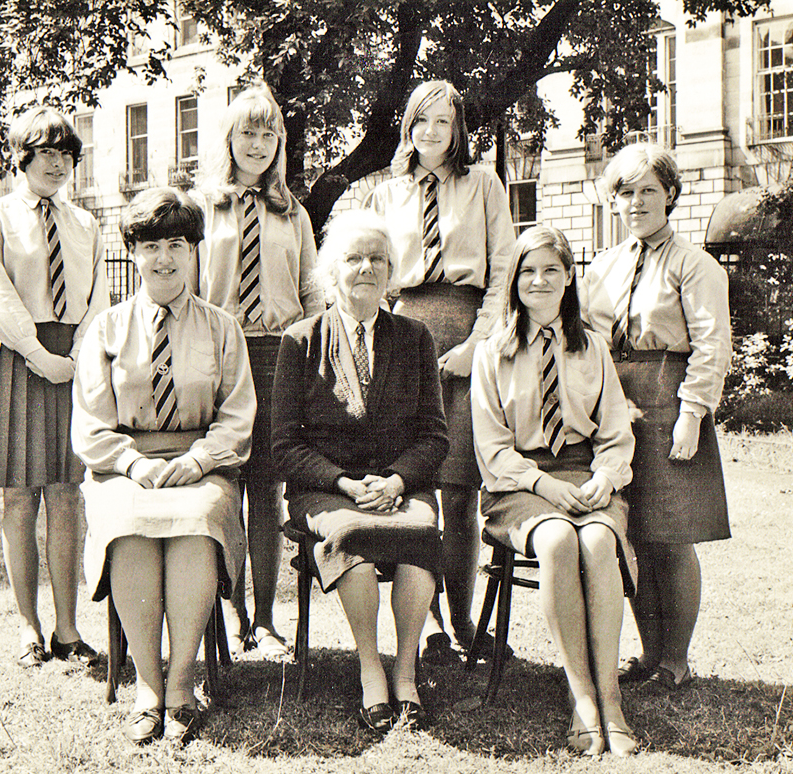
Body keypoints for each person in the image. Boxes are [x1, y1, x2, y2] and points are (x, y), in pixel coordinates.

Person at [71, 187, 255, 745]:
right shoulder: (105, 329)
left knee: (198, 521)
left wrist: (199, 460)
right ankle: (147, 687)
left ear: (195, 250)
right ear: (132, 252)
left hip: (203, 464)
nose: (165, 258)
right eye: (151, 245)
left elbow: (238, 415)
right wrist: (132, 464)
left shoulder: (223, 327)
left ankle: (181, 685)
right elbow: (91, 424)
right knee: (127, 525)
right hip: (125, 466)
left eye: (177, 244)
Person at [271, 210, 449, 732]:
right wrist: (343, 482)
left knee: (420, 530)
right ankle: (371, 666)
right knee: (352, 529)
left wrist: (396, 480)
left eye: (377, 259)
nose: (366, 268)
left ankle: (406, 669)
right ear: (331, 271)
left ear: (392, 271)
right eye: (353, 258)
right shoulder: (300, 340)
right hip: (327, 488)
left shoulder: (416, 337)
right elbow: (284, 444)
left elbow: (434, 435)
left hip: (399, 485)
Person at [472, 226, 638, 757]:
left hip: (585, 476)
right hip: (518, 484)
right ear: (513, 282)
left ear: (569, 278)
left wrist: (604, 480)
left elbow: (614, 433)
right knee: (559, 542)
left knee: (595, 543)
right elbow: (492, 450)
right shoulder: (492, 353)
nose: (539, 281)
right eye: (528, 272)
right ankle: (582, 698)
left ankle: (611, 700)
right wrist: (543, 484)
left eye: (551, 270)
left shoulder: (591, 347)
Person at [367, 80, 515, 662]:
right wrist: (386, 345)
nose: (431, 133)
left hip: (465, 331)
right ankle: (427, 630)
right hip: (404, 335)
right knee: (414, 486)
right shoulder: (385, 194)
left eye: (444, 123)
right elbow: (370, 275)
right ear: (407, 125)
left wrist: (479, 343)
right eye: (421, 121)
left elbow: (503, 269)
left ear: (458, 130)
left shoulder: (483, 186)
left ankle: (465, 623)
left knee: (458, 491)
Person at [580, 143, 731, 694]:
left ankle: (676, 658)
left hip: (670, 399)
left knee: (672, 537)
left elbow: (712, 345)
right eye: (626, 192)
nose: (637, 201)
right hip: (616, 403)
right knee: (634, 535)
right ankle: (647, 654)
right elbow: (587, 341)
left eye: (648, 190)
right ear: (613, 201)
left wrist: (692, 414)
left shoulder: (694, 265)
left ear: (669, 194)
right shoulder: (602, 266)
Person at [0, 106, 108, 668]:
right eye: (45, 152)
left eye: (66, 154)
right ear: (23, 158)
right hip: (18, 356)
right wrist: (39, 355)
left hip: (73, 362)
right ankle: (29, 628)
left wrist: (77, 355)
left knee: (68, 495)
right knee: (20, 495)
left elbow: (98, 296)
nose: (57, 164)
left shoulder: (87, 224)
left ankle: (68, 630)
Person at [192, 83, 324, 661]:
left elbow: (312, 289)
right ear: (228, 138)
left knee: (267, 489)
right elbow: (189, 289)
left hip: (275, 356)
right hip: (217, 353)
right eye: (247, 130)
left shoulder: (291, 212)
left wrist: (317, 347)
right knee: (223, 484)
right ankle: (224, 612)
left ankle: (264, 619)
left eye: (268, 131)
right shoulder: (202, 206)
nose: (258, 142)